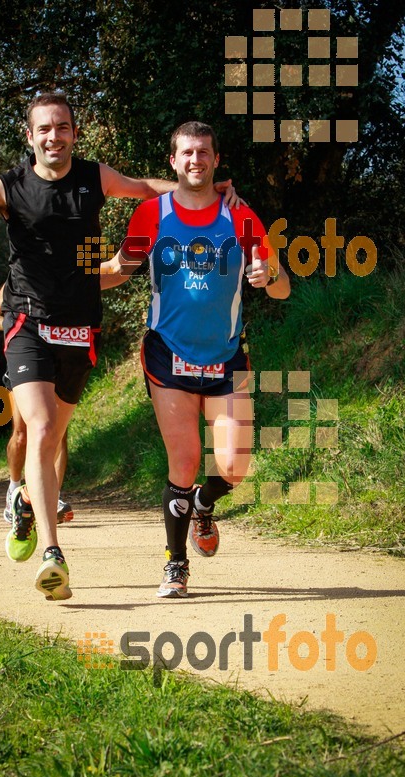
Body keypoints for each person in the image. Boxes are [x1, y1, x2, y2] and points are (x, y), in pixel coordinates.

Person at [0, 93, 240, 601]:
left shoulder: (95, 177)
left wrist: (202, 193)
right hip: (26, 320)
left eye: (63, 127)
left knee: (54, 438)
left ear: (74, 132)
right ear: (30, 136)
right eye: (44, 129)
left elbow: (145, 191)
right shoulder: (10, 185)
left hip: (79, 329)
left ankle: (27, 502)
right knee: (41, 429)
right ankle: (53, 555)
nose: (54, 136)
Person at [101, 121, 291, 598]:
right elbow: (117, 271)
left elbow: (284, 287)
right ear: (173, 161)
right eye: (186, 153)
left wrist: (268, 274)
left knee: (234, 466)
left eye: (203, 152)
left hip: (226, 358)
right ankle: (175, 564)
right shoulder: (150, 214)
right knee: (183, 463)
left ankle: (204, 504)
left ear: (215, 160)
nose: (195, 160)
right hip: (168, 355)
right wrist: (59, 283)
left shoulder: (242, 217)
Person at [0, 284, 74, 525]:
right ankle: (13, 489)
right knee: (22, 435)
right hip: (25, 358)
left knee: (58, 433)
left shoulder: (64, 275)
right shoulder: (19, 277)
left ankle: (52, 495)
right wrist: (22, 327)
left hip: (56, 360)